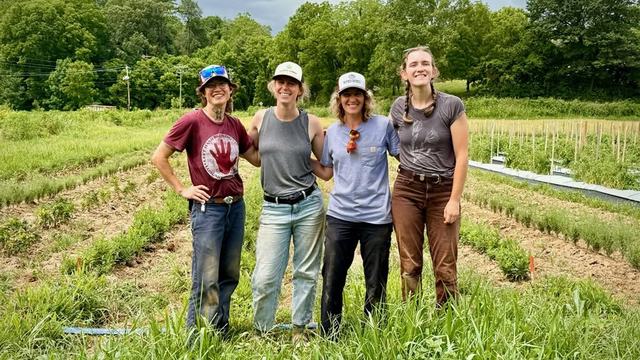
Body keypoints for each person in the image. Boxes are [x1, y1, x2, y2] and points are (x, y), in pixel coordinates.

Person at [151, 65, 259, 334]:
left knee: (229, 275)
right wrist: (181, 189)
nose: (217, 89)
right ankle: (197, 335)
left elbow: (255, 159)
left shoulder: (234, 124)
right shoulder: (191, 121)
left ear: (231, 89)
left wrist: (275, 133)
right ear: (203, 93)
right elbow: (159, 157)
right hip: (208, 209)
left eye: (222, 84)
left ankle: (219, 330)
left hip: (235, 207)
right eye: (211, 86)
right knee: (206, 277)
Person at [311, 72, 399, 338]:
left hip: (377, 218)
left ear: (365, 98)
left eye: (357, 94)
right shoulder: (333, 132)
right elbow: (327, 172)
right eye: (346, 95)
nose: (352, 99)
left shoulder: (383, 126)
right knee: (332, 276)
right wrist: (297, 156)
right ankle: (330, 333)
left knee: (376, 279)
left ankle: (373, 332)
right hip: (341, 216)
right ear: (339, 99)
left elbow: (402, 156)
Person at [247, 61, 325, 339]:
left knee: (305, 272)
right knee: (266, 275)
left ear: (300, 89)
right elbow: (251, 154)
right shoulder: (260, 118)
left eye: (291, 83)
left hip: (308, 205)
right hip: (273, 208)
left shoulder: (312, 122)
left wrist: (303, 161)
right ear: (273, 86)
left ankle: (299, 329)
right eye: (280, 81)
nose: (285, 87)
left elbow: (326, 169)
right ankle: (262, 330)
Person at [389, 46, 469, 307]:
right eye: (413, 64)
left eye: (425, 63)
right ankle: (412, 315)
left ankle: (446, 320)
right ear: (404, 73)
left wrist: (454, 199)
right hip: (407, 190)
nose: (419, 68)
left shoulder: (451, 105)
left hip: (442, 190)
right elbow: (391, 145)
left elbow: (462, 155)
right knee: (409, 262)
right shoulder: (399, 107)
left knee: (445, 264)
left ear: (434, 71)